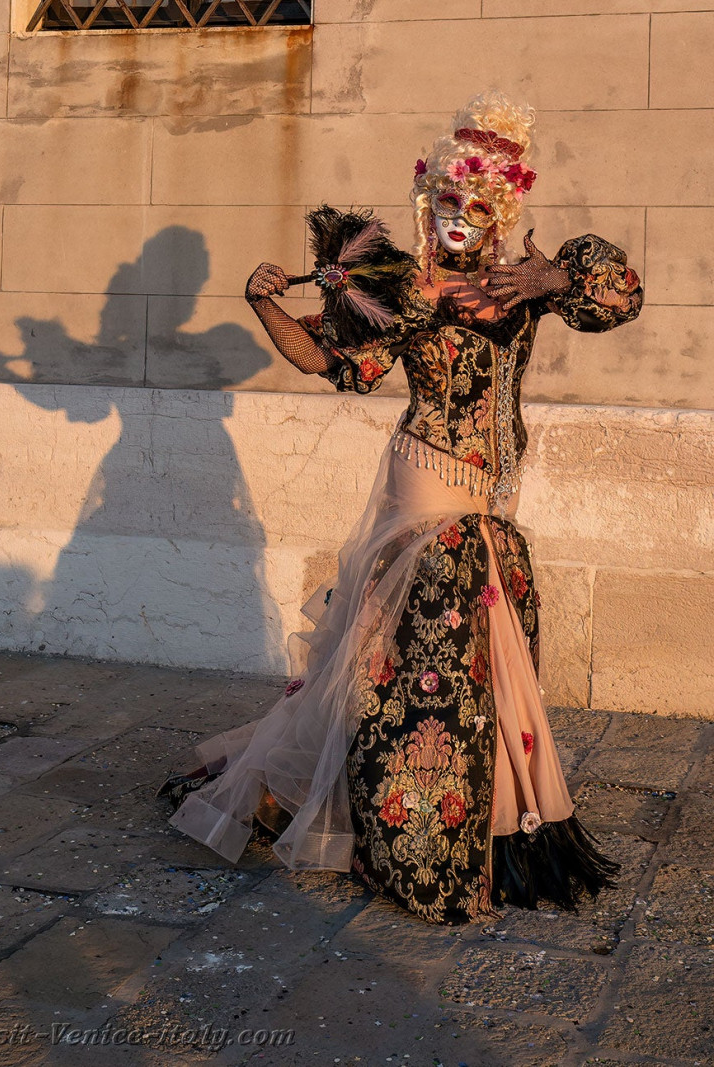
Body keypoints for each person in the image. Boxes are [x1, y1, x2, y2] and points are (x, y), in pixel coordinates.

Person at [158, 91, 643, 924]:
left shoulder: (522, 284)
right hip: (427, 479)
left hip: (496, 486)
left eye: (479, 203)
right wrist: (265, 302)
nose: (462, 217)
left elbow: (621, 293)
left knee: (482, 649)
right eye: (448, 201)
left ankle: (492, 816)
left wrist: (548, 272)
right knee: (423, 651)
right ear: (429, 203)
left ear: (504, 210)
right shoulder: (405, 289)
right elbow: (332, 362)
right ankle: (414, 828)